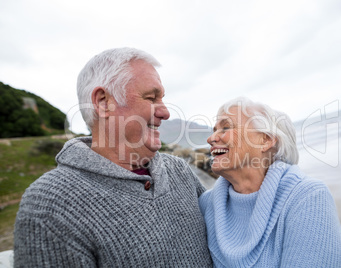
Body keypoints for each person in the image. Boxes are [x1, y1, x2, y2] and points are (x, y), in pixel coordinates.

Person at [13, 48, 212, 267]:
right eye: (151, 98)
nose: (166, 112)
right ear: (103, 102)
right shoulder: (50, 205)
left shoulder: (179, 170)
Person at [199, 97, 341, 267]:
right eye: (214, 130)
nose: (211, 138)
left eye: (226, 127)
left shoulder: (307, 197)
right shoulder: (206, 204)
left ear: (265, 140)